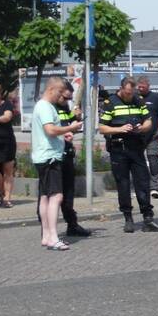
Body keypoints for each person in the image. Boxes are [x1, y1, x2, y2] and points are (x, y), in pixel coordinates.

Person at [99, 77, 158, 233]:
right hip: (118, 148)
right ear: (121, 88)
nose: (130, 96)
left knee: (143, 182)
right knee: (123, 184)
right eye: (127, 93)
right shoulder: (110, 103)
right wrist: (119, 129)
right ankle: (128, 218)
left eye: (132, 93)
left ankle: (148, 218)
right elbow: (102, 128)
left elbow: (149, 122)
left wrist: (141, 128)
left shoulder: (138, 100)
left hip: (136, 147)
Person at [31, 77, 82, 251]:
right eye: (60, 92)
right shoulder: (46, 107)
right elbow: (50, 130)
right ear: (51, 89)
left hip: (44, 156)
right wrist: (70, 128)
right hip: (50, 157)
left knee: (45, 197)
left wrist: (63, 136)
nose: (61, 96)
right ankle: (53, 237)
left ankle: (46, 236)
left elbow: (50, 132)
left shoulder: (42, 106)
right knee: (56, 196)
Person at [56, 81, 91, 238]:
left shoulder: (64, 108)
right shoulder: (48, 108)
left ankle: (72, 224)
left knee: (68, 191)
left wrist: (76, 118)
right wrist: (66, 132)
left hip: (67, 153)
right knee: (52, 194)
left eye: (69, 99)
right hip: (54, 156)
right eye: (65, 98)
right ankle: (48, 228)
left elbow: (70, 125)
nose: (66, 101)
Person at [136, 76, 158, 199]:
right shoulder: (134, 98)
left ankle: (155, 188)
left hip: (152, 136)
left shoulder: (156, 98)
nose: (140, 88)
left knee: (153, 160)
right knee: (137, 160)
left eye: (143, 86)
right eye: (139, 86)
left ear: (148, 86)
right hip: (137, 135)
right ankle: (141, 186)